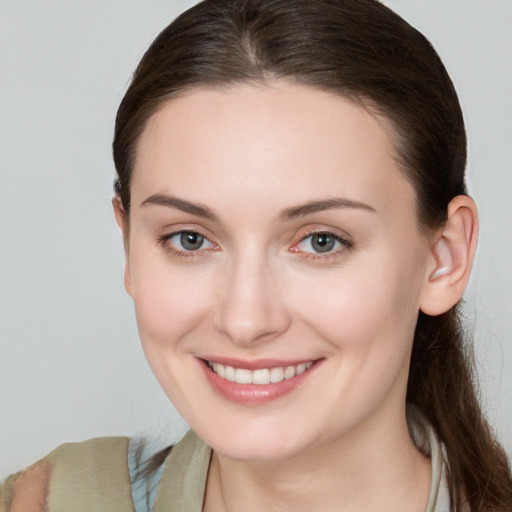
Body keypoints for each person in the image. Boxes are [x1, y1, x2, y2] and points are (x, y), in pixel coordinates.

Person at [1, 0, 511, 511]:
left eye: (321, 241)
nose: (245, 321)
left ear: (443, 258)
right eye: (190, 239)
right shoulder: (48, 501)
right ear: (129, 246)